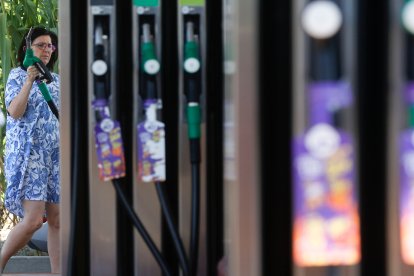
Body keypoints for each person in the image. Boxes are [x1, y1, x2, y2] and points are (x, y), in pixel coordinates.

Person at [0, 27, 60, 273]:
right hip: (29, 156)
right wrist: (29, 80)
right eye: (41, 45)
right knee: (35, 220)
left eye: (50, 46)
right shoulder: (16, 76)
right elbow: (15, 112)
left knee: (58, 221)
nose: (46, 50)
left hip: (56, 157)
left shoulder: (56, 80)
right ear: (27, 48)